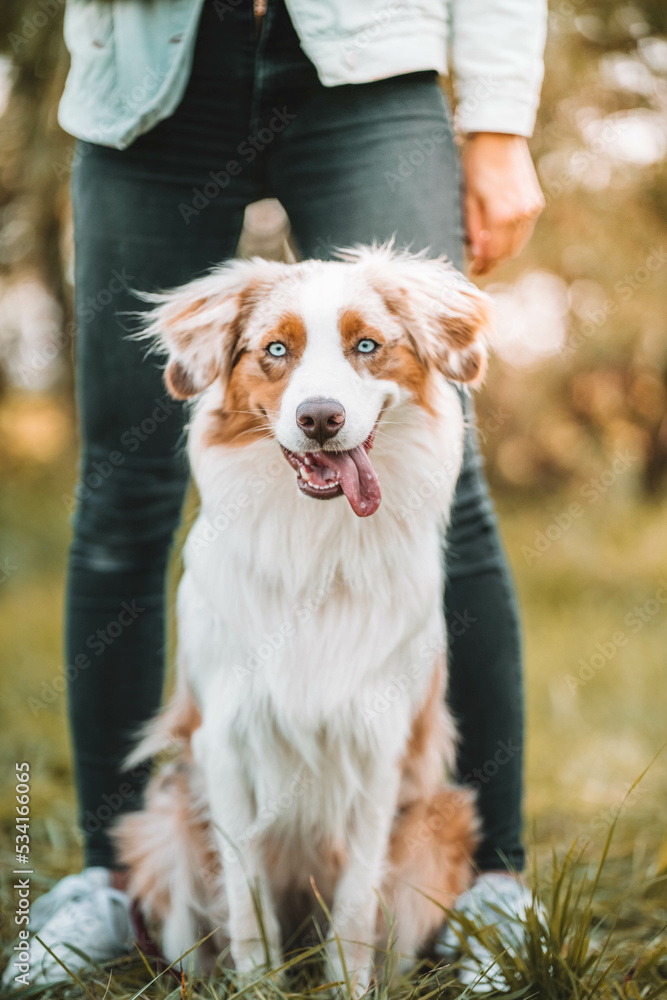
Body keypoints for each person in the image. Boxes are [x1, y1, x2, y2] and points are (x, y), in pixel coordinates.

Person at [2, 0, 546, 989]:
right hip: (144, 73)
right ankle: (108, 879)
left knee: (447, 479)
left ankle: (490, 881)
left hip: (369, 55)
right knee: (121, 499)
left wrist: (501, 118)